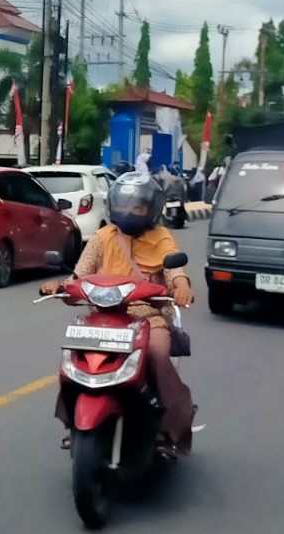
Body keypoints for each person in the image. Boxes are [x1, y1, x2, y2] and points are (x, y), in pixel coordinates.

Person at [40, 169, 196, 453]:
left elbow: (175, 272)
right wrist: (58, 287)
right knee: (71, 359)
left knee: (158, 354)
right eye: (124, 204)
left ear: (151, 208)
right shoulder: (102, 237)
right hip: (101, 318)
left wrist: (182, 286)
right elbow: (79, 277)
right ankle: (72, 421)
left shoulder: (161, 238)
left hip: (147, 317)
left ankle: (168, 425)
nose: (129, 210)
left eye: (137, 205)